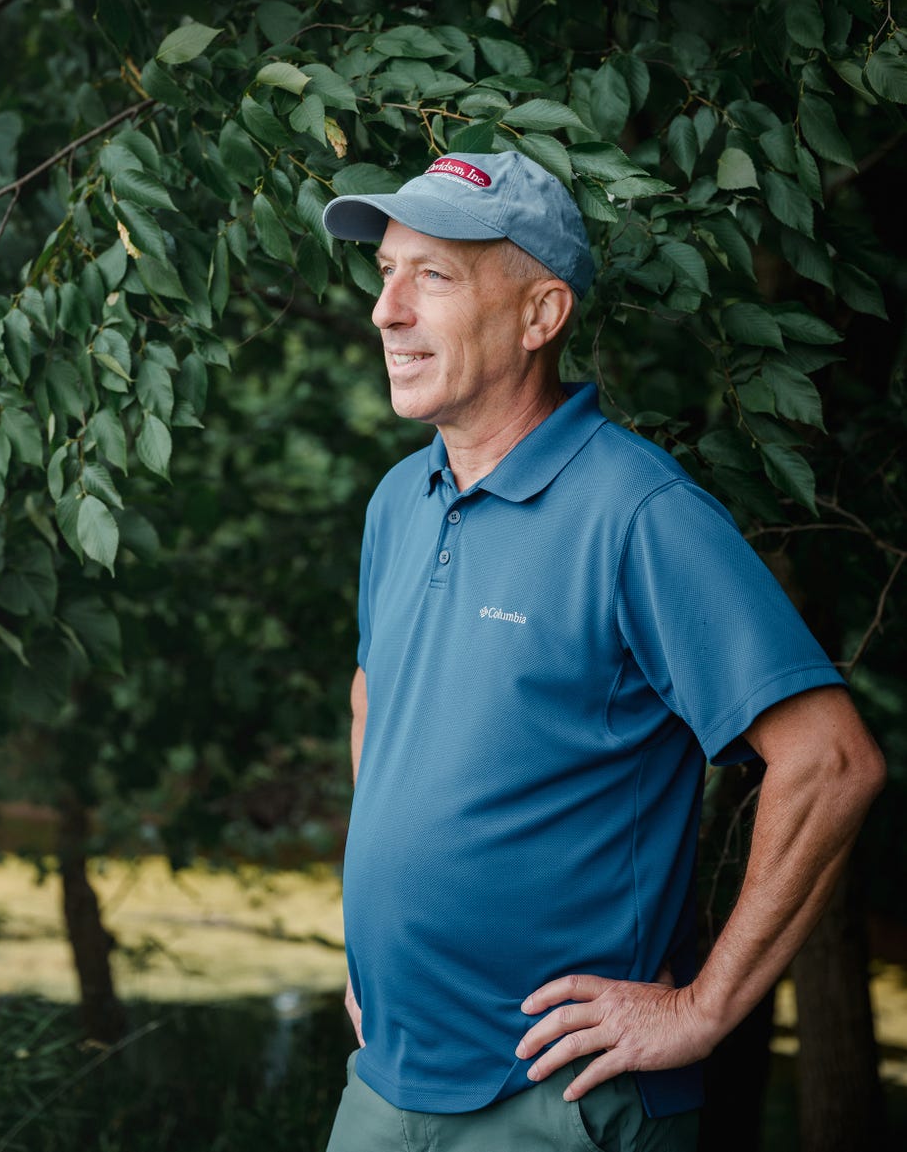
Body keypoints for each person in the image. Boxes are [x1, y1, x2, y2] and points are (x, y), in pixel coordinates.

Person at [320, 149, 885, 1152]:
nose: (387, 311)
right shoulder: (396, 504)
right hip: (384, 1079)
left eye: (432, 276)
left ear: (541, 316)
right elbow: (377, 704)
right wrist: (372, 950)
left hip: (554, 1099)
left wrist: (702, 1009)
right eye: (384, 273)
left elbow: (829, 761)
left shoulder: (637, 513)